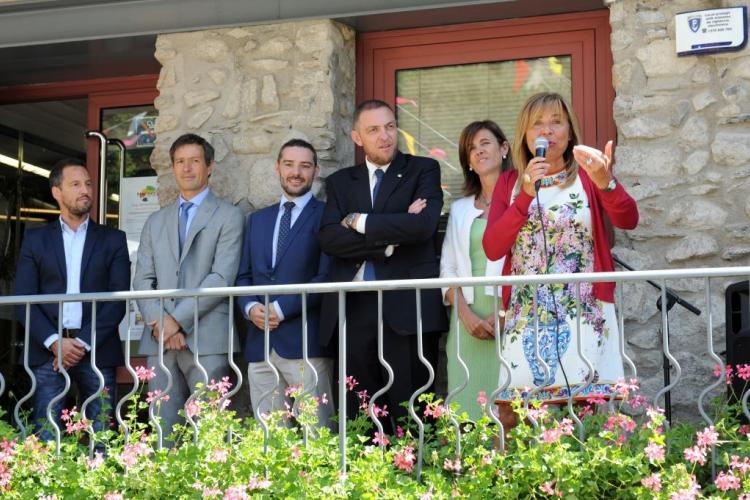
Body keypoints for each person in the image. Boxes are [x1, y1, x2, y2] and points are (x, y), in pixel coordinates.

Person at [482, 92, 638, 427]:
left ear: (570, 131)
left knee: (584, 407)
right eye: (537, 124)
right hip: (527, 313)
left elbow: (628, 220)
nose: (547, 131)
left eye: (556, 122)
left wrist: (606, 182)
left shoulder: (588, 175)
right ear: (525, 135)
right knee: (516, 410)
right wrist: (525, 196)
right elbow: (493, 247)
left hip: (583, 308)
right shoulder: (509, 183)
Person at [318, 99, 448, 431]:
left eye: (390, 127)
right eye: (373, 130)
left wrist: (358, 221)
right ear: (357, 137)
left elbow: (423, 227)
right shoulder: (340, 182)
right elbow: (330, 239)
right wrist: (390, 239)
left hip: (407, 308)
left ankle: (417, 465)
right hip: (353, 309)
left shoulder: (423, 169)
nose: (385, 136)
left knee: (413, 413)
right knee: (360, 414)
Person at [133, 133, 244, 438]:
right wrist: (162, 323)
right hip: (160, 340)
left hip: (208, 338)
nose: (187, 168)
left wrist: (176, 322)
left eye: (194, 161)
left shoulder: (230, 216)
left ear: (209, 166)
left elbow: (221, 277)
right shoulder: (155, 221)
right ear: (172, 167)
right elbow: (142, 280)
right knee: (163, 431)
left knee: (209, 434)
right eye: (180, 161)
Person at [15, 158, 130, 439]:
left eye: (88, 184)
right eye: (76, 184)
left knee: (102, 436)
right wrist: (56, 342)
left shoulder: (113, 239)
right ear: (57, 192)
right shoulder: (35, 239)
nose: (85, 190)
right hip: (47, 352)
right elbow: (23, 300)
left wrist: (80, 343)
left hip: (97, 348)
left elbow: (117, 300)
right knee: (46, 436)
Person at [236, 138, 334, 429]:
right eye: (289, 164)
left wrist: (279, 309)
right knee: (269, 438)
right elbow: (243, 276)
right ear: (277, 168)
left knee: (318, 435)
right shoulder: (257, 220)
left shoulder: (327, 216)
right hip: (260, 344)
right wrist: (250, 307)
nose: (296, 172)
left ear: (316, 171)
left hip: (306, 343)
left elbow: (326, 277)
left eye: (305, 166)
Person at [440, 120, 510, 421]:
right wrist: (466, 316)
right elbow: (448, 269)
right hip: (467, 322)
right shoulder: (459, 209)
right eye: (471, 148)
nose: (479, 151)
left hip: (512, 318)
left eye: (485, 143)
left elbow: (532, 265)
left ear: (504, 149)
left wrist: (505, 313)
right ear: (467, 161)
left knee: (510, 413)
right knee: (466, 411)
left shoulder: (523, 202)